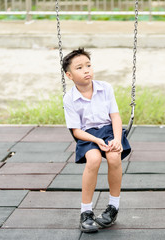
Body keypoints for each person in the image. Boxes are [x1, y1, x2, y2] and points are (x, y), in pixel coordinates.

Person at [62, 48, 131, 233]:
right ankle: (86, 212)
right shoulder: (69, 98)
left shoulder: (105, 88)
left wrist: (117, 138)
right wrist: (96, 140)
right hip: (87, 134)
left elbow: (115, 117)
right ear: (69, 75)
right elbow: (76, 131)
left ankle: (113, 207)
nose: (86, 70)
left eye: (89, 65)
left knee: (114, 157)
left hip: (109, 130)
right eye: (79, 67)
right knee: (93, 160)